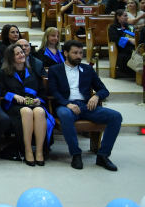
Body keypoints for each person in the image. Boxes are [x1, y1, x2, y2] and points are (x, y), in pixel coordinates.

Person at [48, 40, 122, 171]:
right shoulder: (55, 69)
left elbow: (103, 90)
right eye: (75, 53)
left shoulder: (87, 69)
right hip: (66, 106)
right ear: (65, 53)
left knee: (115, 116)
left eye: (80, 53)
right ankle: (76, 154)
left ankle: (103, 155)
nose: (78, 56)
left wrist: (96, 96)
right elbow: (53, 91)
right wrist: (67, 104)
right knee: (65, 115)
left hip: (86, 106)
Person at [0, 44, 49, 166]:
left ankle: (40, 151)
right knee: (26, 111)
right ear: (11, 57)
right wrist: (13, 96)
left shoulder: (33, 71)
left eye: (22, 52)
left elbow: (42, 91)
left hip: (33, 104)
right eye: (18, 53)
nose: (22, 55)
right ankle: (28, 150)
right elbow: (0, 90)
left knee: (40, 111)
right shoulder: (4, 72)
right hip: (14, 106)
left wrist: (39, 99)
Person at [108, 9, 137, 77]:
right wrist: (129, 40)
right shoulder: (113, 27)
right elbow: (115, 39)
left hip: (133, 46)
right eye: (125, 16)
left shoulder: (129, 27)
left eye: (127, 15)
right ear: (118, 17)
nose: (127, 17)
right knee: (127, 55)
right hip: (121, 48)